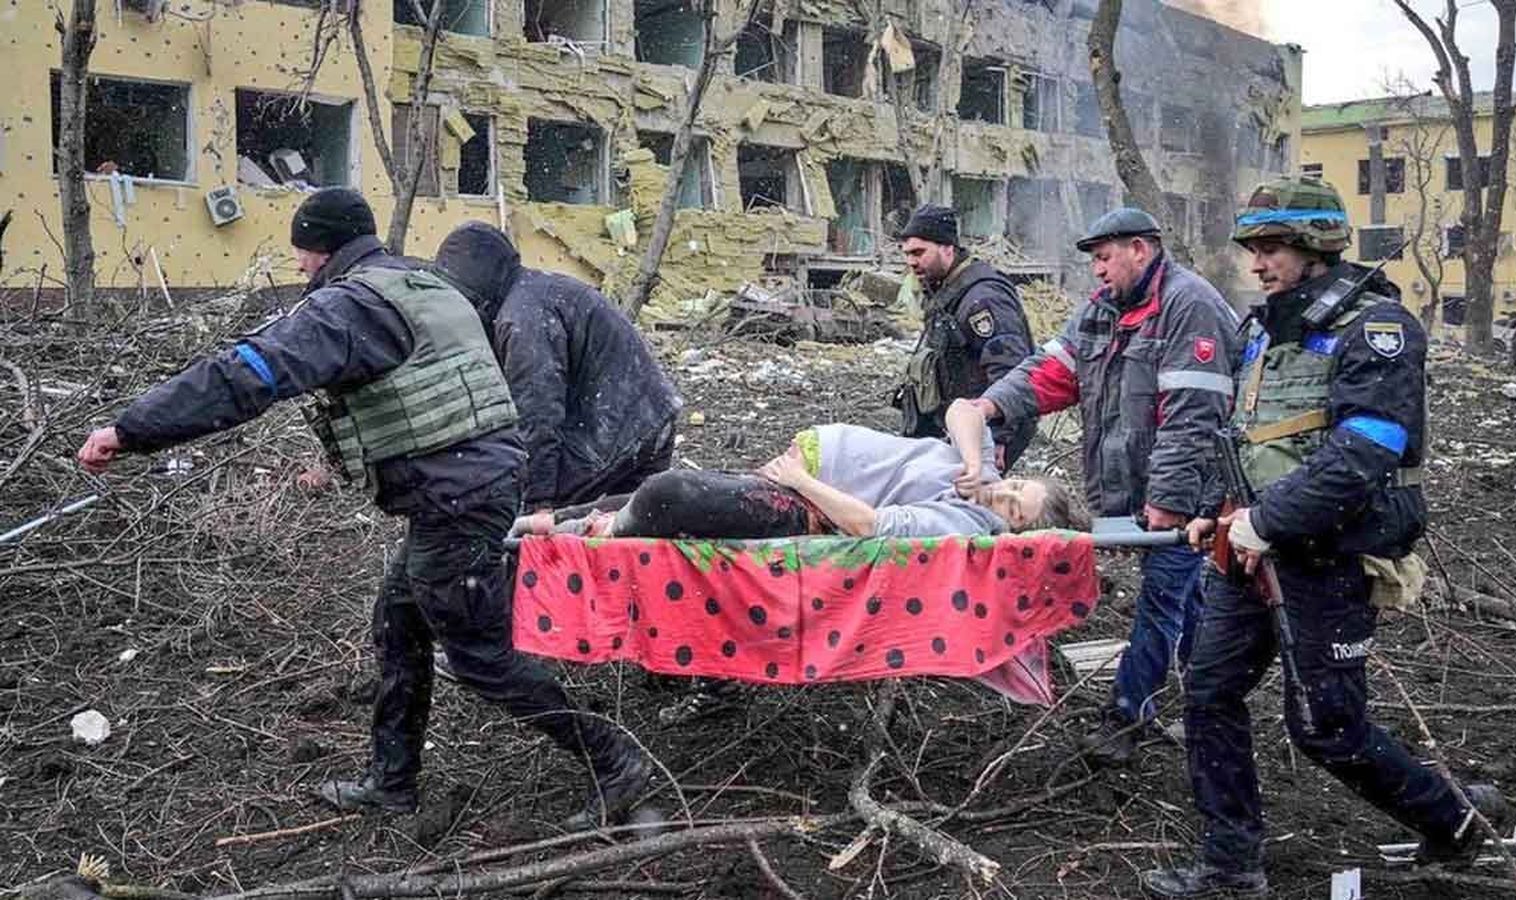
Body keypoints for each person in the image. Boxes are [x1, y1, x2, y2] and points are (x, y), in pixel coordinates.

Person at [75, 188, 650, 831]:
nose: (297, 267)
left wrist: (131, 431)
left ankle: (614, 758)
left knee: (478, 655)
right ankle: (391, 782)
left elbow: (249, 374)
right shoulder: (418, 282)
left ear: (320, 250)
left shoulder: (350, 308)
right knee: (398, 622)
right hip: (471, 483)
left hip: (456, 495)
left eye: (300, 252)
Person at [1141, 177, 1503, 897]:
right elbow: (1249, 440)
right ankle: (1230, 865)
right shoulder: (1263, 329)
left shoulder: (1377, 330)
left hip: (1327, 556)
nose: (1258, 262)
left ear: (1313, 247)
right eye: (1254, 248)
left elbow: (1365, 452)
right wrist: (1221, 512)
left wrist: (1265, 522)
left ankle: (1453, 825)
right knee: (1208, 691)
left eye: (1271, 247)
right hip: (1249, 551)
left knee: (1327, 728)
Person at [953, 207, 1238, 765]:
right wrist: (989, 406)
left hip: (1190, 491)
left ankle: (1126, 718)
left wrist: (1170, 501)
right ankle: (1213, 691)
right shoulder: (1103, 311)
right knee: (1185, 594)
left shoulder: (1190, 306)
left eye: (1105, 259)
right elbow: (1051, 371)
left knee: (1162, 597)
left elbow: (1194, 416)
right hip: (1131, 489)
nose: (1098, 272)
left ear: (1141, 248)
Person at [433, 221, 682, 512]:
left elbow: (537, 414)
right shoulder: (535, 291)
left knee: (523, 521)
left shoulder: (523, 318)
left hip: (619, 428)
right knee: (624, 533)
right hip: (647, 415)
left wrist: (537, 501)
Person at [520, 422, 1086, 541]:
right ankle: (541, 523)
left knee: (665, 494)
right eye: (1017, 487)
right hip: (798, 476)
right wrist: (969, 456)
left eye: (1013, 510)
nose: (1002, 496)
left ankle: (594, 534)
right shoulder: (980, 471)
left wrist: (800, 480)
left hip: (804, 505)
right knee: (658, 491)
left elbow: (868, 524)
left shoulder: (962, 522)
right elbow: (966, 408)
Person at [892, 204, 1036, 470]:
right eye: (907, 254)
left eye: (919, 252)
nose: (911, 262)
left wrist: (998, 436)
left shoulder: (982, 297)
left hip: (982, 430)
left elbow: (1009, 369)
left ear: (948, 248)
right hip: (956, 427)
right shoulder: (946, 291)